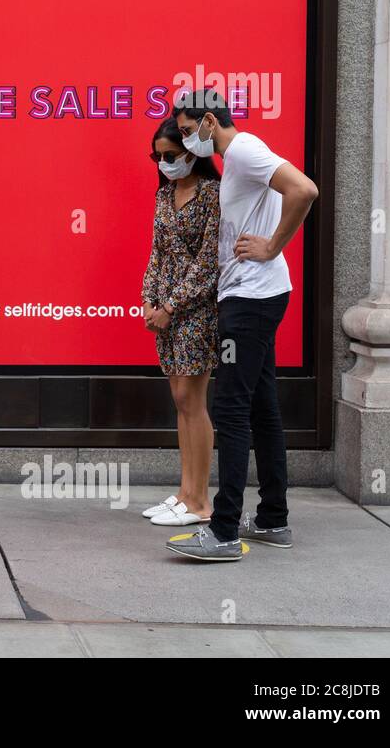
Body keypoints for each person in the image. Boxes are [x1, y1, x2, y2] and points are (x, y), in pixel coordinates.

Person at [165, 89, 318, 562]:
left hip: (250, 301)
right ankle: (273, 518)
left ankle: (225, 531)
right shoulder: (238, 159)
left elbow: (305, 189)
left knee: (230, 408)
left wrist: (273, 246)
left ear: (210, 121)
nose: (188, 144)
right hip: (254, 297)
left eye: (190, 132)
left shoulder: (245, 150)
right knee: (262, 408)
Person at [140, 117, 221, 527]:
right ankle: (184, 492)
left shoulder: (212, 195)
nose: (163, 163)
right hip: (165, 314)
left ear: (191, 152)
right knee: (180, 401)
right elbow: (156, 253)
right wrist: (149, 301)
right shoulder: (164, 194)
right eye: (157, 157)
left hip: (195, 312)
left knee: (193, 400)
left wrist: (171, 306)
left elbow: (208, 263)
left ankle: (200, 501)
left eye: (170, 155)